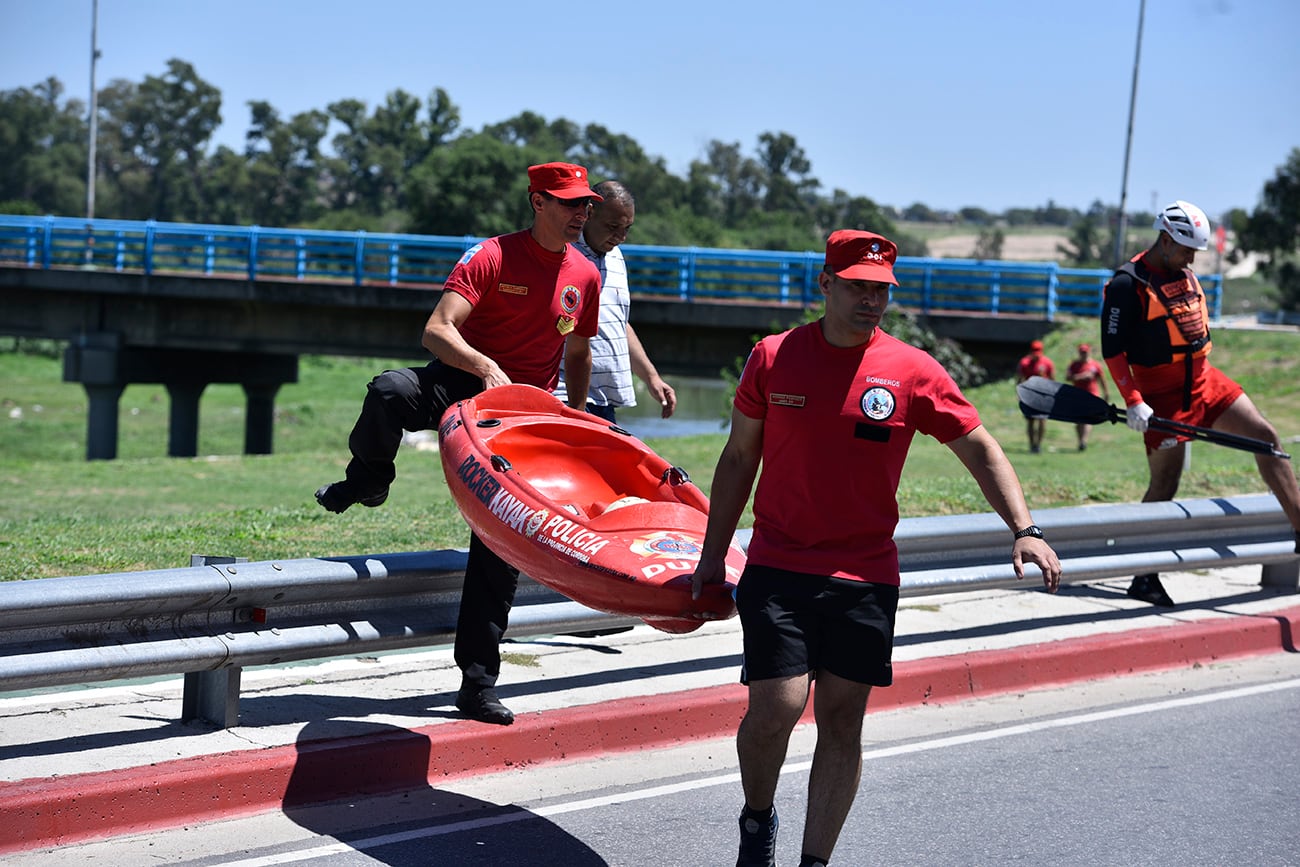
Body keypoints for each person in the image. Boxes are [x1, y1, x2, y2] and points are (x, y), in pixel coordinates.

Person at [690, 229, 1062, 867]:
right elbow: (738, 456)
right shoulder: (774, 356)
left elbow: (978, 445)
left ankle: (815, 861)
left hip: (864, 574)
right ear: (826, 283)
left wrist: (1023, 528)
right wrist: (710, 555)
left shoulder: (913, 370)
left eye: (882, 291)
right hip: (778, 563)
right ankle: (757, 821)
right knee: (777, 707)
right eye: (859, 287)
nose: (872, 301)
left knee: (841, 721)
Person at [315, 161, 603, 724]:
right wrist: (483, 365)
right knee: (390, 391)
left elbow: (578, 354)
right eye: (570, 203)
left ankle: (477, 685)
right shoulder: (491, 255)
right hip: (464, 380)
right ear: (537, 202)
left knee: (498, 544)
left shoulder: (585, 275)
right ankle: (369, 481)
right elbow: (437, 329)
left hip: (523, 413)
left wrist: (573, 419)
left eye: (585, 204)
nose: (581, 214)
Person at [1101, 199, 1300, 607]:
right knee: (1165, 484)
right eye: (1186, 249)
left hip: (1207, 385)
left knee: (1267, 438)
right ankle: (1143, 576)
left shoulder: (1183, 274)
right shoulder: (1127, 284)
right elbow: (1112, 350)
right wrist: (1134, 400)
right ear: (1165, 238)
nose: (1192, 258)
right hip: (1161, 397)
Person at [553, 180, 677, 423]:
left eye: (627, 228)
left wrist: (651, 377)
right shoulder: (561, 254)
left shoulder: (616, 256)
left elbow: (617, 323)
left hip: (604, 399)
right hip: (565, 395)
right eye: (612, 226)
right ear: (588, 214)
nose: (620, 237)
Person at [1066, 342, 1108, 450]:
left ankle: (1084, 441)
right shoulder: (1074, 365)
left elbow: (1102, 380)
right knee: (1078, 420)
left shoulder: (1095, 365)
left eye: (1085, 352)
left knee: (1087, 419)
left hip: (1092, 394)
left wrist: (1106, 393)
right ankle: (1080, 440)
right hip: (1077, 395)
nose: (1083, 354)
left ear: (1088, 352)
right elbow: (1068, 377)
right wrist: (1081, 377)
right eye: (1081, 352)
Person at [1016, 339, 1055, 453]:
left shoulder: (1047, 363)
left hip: (1043, 396)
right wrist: (1019, 394)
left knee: (1042, 420)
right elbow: (1019, 380)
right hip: (1029, 396)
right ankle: (1032, 444)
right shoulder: (1024, 363)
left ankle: (1038, 444)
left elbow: (1052, 380)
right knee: (1030, 421)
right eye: (1034, 351)